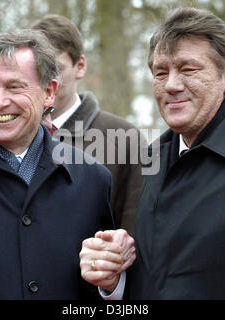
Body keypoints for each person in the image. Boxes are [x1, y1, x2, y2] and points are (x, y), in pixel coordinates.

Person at [81, 7, 225, 299]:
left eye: (188, 69)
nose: (171, 85)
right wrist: (114, 279)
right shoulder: (152, 161)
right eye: (161, 72)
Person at [0, 29, 135, 299]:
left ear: (49, 92)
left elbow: (96, 288)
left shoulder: (92, 179)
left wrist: (109, 284)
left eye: (15, 87)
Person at [31, 14, 144, 234]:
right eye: (37, 71)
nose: (46, 83)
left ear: (80, 66)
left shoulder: (123, 138)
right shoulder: (12, 136)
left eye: (55, 70)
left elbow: (134, 230)